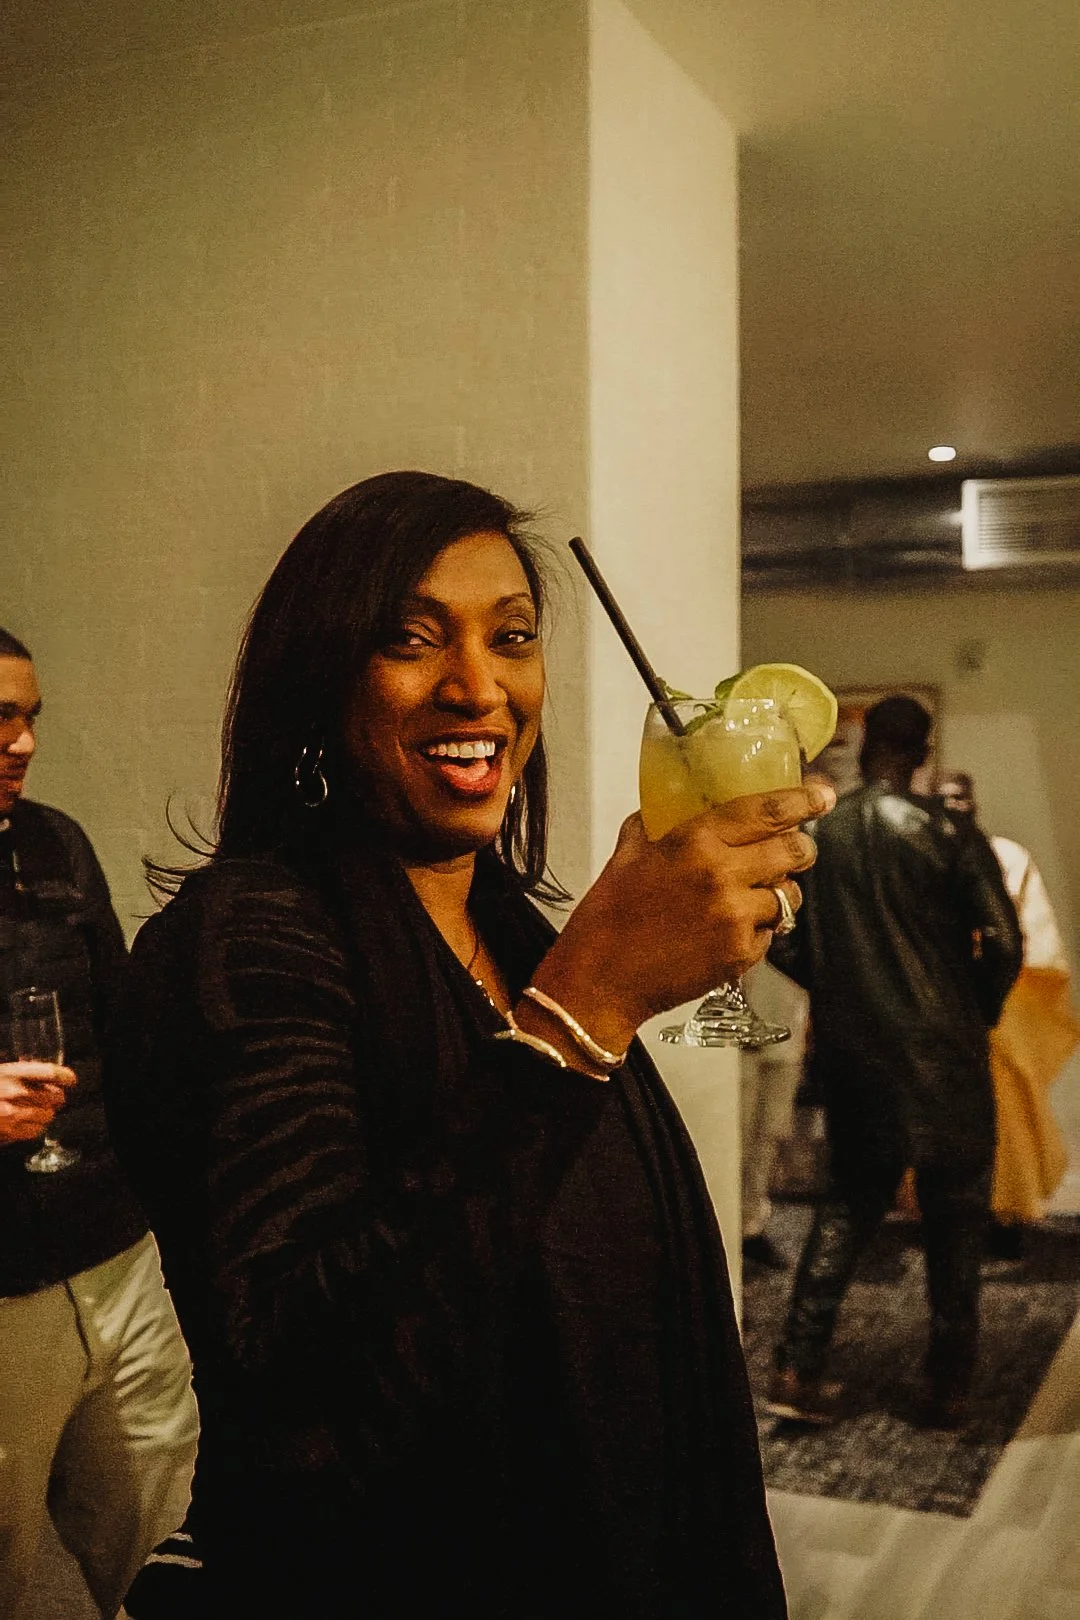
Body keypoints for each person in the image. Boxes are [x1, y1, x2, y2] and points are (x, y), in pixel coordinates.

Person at [104, 470, 832, 1620]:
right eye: (411, 639)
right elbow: (312, 1395)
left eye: (514, 638)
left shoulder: (510, 928)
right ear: (321, 677)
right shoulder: (248, 937)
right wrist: (586, 1003)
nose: (479, 687)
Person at [0, 627, 199, 1620]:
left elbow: (120, 1021)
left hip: (118, 1259)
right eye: (0, 717)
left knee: (178, 1544)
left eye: (30, 717)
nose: (23, 742)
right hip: (4, 1301)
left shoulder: (54, 840)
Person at [765, 695, 1023, 1429]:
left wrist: (844, 991)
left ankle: (796, 1365)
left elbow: (779, 937)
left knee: (844, 1210)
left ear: (866, 742)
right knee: (956, 1220)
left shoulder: (824, 833)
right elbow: (1002, 940)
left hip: (858, 1057)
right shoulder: (948, 831)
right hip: (946, 1057)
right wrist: (977, 1010)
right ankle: (949, 1386)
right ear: (920, 751)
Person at [939, 772, 1080, 1260]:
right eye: (942, 798)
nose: (952, 805)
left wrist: (990, 987)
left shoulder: (1006, 855)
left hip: (1002, 1002)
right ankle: (943, 1214)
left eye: (959, 796)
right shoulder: (918, 852)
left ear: (974, 801)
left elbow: (1028, 937)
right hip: (937, 1001)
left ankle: (1006, 1211)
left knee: (1005, 1111)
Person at [740, 962, 810, 1270]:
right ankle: (725, 1228)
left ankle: (750, 1224)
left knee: (769, 1133)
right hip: (738, 1030)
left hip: (787, 1021)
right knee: (735, 1137)